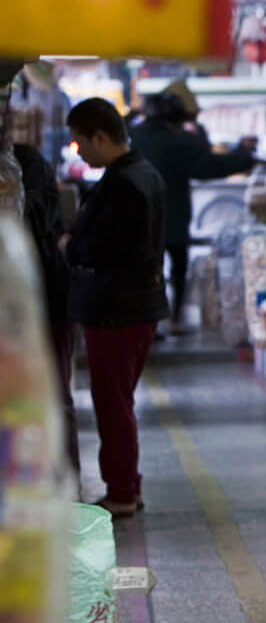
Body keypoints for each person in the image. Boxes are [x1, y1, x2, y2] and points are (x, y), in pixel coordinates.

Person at [66, 97, 168, 517]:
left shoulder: (124, 184)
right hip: (134, 306)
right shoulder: (143, 174)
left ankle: (122, 492)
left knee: (113, 405)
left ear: (100, 137)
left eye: (80, 143)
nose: (80, 152)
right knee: (117, 401)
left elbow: (110, 249)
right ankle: (129, 487)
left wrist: (71, 247)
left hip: (117, 310)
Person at [130, 81, 257, 331]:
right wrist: (244, 157)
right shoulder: (177, 142)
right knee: (177, 269)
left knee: (146, 272)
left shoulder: (135, 136)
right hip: (172, 217)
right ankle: (174, 318)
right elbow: (207, 165)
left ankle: (149, 323)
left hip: (138, 219)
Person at [2, 86, 75, 475]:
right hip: (30, 303)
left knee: (51, 397)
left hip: (45, 299)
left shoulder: (27, 166)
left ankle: (64, 483)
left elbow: (39, 222)